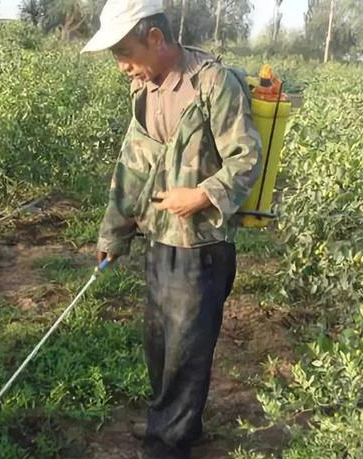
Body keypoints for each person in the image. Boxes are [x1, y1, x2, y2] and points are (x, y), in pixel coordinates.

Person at [81, 1, 262, 458]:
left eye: (125, 52)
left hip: (202, 246)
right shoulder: (144, 90)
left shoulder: (213, 83)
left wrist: (201, 195)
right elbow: (132, 168)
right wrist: (113, 235)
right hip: (159, 239)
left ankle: (167, 446)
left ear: (155, 38)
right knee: (160, 344)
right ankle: (178, 425)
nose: (122, 66)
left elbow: (246, 158)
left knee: (186, 353)